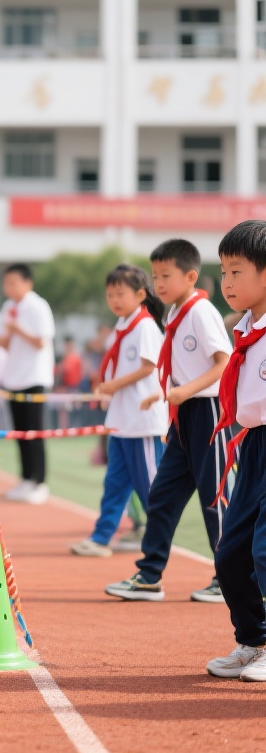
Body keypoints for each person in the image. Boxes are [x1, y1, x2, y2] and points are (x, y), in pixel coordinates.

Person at [105, 239, 232, 603]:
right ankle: (149, 575)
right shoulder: (173, 314)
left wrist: (184, 391)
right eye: (155, 275)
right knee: (162, 496)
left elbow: (223, 363)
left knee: (216, 498)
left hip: (207, 413)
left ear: (190, 275)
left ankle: (230, 578)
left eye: (166, 275)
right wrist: (164, 394)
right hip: (183, 416)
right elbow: (178, 367)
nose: (158, 283)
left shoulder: (201, 311)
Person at [70, 265, 167, 557]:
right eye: (110, 294)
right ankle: (101, 537)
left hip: (143, 421)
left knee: (151, 488)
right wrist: (108, 391)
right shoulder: (121, 327)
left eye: (120, 294)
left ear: (140, 294)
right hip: (121, 421)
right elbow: (118, 366)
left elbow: (149, 367)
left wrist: (112, 386)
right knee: (114, 484)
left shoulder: (145, 326)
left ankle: (159, 541)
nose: (114, 299)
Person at [206, 219, 266, 681]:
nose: (227, 282)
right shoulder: (244, 330)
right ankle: (252, 639)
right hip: (253, 447)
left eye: (237, 271)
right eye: (223, 271)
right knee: (231, 553)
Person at [0, 264, 55, 504]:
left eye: (14, 283)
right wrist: (1, 338)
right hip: (13, 378)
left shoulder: (37, 307)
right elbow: (7, 345)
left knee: (34, 432)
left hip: (34, 378)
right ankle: (26, 478)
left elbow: (41, 342)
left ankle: (40, 482)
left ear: (28, 283)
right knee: (19, 433)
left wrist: (18, 328)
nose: (10, 288)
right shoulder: (8, 307)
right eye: (7, 283)